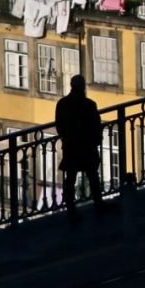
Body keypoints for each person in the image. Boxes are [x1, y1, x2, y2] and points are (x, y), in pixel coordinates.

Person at [55, 74, 104, 222]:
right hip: (87, 146)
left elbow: (59, 127)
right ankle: (98, 204)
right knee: (93, 176)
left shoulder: (62, 104)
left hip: (71, 146)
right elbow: (96, 126)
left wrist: (67, 138)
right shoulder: (89, 104)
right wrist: (95, 141)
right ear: (83, 87)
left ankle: (71, 209)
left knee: (70, 179)